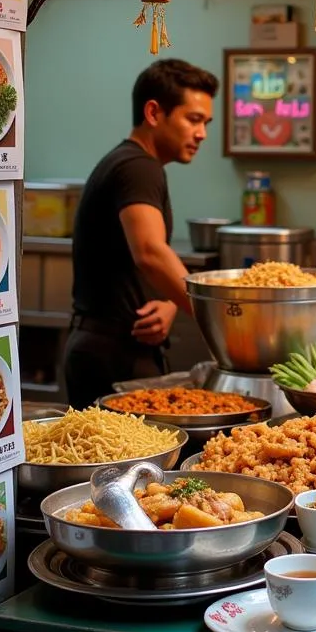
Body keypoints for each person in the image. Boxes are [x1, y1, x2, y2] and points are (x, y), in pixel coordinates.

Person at [64, 59, 218, 408]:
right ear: (153, 113)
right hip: (111, 355)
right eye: (193, 120)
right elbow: (149, 252)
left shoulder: (132, 163)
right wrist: (217, 316)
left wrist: (170, 302)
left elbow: (138, 261)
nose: (202, 134)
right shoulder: (139, 167)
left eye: (206, 123)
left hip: (120, 346)